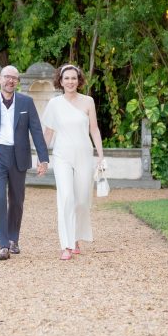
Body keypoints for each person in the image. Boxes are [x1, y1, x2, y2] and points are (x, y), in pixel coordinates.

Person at [0, 65, 49, 260]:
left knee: (16, 200)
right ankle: (3, 245)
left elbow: (37, 131)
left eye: (14, 78)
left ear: (17, 82)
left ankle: (13, 238)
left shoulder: (26, 102)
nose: (10, 81)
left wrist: (43, 158)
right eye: (7, 77)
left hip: (18, 156)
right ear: (0, 79)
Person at [42, 64, 104, 260]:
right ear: (60, 81)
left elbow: (94, 129)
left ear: (79, 80)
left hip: (85, 155)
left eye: (73, 78)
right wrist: (42, 158)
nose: (70, 81)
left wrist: (100, 156)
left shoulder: (88, 101)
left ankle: (76, 235)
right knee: (66, 196)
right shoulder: (54, 104)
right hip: (62, 156)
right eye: (66, 78)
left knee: (82, 200)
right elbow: (49, 132)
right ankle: (66, 245)